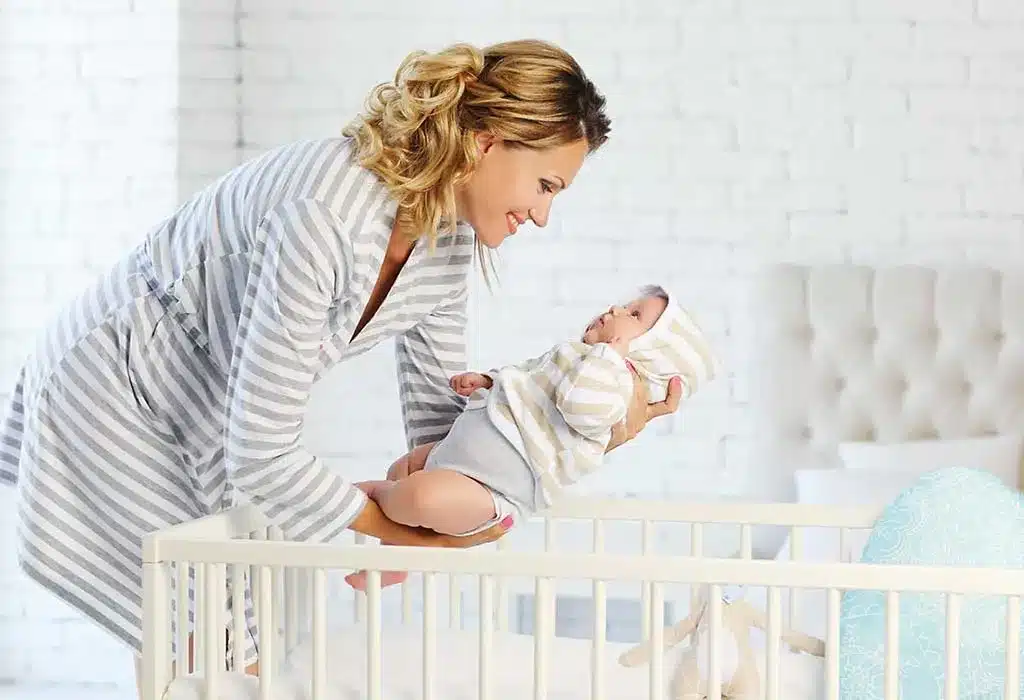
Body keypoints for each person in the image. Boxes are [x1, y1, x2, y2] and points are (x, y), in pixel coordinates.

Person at [0, 38, 682, 695]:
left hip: (198, 406)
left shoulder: (446, 246)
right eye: (545, 185)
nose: (541, 215)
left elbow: (446, 437)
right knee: (209, 625)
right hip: (114, 389)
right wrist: (390, 532)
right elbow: (263, 451)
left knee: (231, 623)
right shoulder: (323, 212)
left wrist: (582, 433)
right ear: (486, 142)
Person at [345, 284, 718, 590]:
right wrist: (490, 381)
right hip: (456, 450)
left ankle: (372, 498)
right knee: (404, 469)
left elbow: (578, 405)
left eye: (634, 316)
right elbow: (526, 375)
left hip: (492, 489)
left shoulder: (615, 385)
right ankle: (394, 556)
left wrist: (610, 355)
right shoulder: (576, 356)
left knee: (420, 497)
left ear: (652, 357)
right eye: (625, 304)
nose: (616, 309)